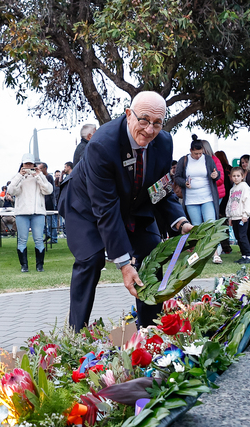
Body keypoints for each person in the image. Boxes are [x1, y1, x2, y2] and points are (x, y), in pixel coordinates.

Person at [59, 91, 192, 331]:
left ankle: (150, 331)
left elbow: (160, 189)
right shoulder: (102, 144)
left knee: (151, 252)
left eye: (157, 123)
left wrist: (181, 224)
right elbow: (106, 209)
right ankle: (76, 333)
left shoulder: (163, 142)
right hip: (85, 204)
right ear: (129, 114)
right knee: (91, 259)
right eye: (144, 120)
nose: (150, 130)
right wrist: (123, 264)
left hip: (133, 201)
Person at [7, 154, 53, 272]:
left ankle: (40, 265)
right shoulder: (18, 177)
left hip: (38, 212)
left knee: (39, 239)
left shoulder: (39, 176)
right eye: (26, 164)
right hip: (22, 212)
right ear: (22, 164)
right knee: (22, 239)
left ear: (33, 164)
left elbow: (48, 190)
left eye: (30, 164)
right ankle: (24, 265)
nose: (28, 166)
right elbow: (11, 190)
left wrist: (39, 175)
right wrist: (20, 175)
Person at [174, 135, 220, 228]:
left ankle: (212, 238)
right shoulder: (184, 160)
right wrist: (184, 183)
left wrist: (215, 175)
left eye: (200, 153)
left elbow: (217, 173)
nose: (198, 156)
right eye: (196, 153)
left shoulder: (207, 159)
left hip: (207, 197)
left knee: (210, 224)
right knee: (196, 226)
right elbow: (177, 177)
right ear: (190, 150)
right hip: (191, 199)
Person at [226, 167, 250, 264]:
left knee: (243, 236)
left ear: (242, 176)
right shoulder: (232, 189)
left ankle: (248, 256)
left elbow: (248, 201)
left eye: (238, 176)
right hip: (234, 217)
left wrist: (246, 214)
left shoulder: (244, 187)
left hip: (242, 217)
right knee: (238, 237)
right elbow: (230, 203)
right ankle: (243, 255)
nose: (236, 178)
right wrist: (230, 217)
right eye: (234, 176)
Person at [39, 162, 58, 244]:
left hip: (49, 202)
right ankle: (48, 235)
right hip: (43, 203)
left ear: (45, 168)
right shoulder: (41, 177)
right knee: (45, 222)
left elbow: (50, 191)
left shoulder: (49, 177)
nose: (39, 170)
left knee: (51, 221)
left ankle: (54, 238)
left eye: (41, 168)